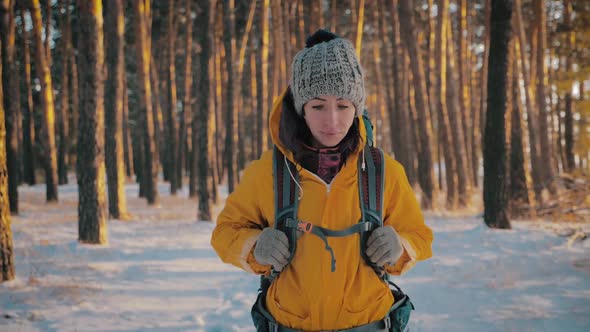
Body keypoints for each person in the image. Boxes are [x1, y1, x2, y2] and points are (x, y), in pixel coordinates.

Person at [211, 29, 433, 331]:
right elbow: (225, 232)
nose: (332, 121)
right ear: (301, 109)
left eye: (343, 106)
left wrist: (401, 246)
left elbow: (420, 235)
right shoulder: (267, 172)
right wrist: (254, 246)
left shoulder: (384, 172)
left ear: (357, 107)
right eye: (317, 106)